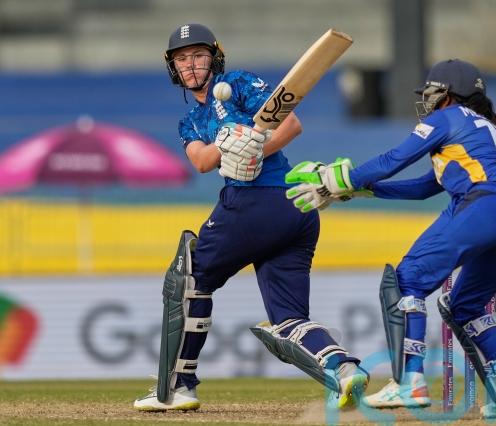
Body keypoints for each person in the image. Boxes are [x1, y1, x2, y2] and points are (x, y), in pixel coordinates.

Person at [133, 23, 368, 412]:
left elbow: (289, 124)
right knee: (289, 318)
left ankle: (178, 387)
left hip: (262, 200)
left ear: (215, 58)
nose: (190, 64)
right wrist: (229, 146)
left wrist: (256, 149)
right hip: (295, 212)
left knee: (189, 278)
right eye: (182, 59)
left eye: (198, 55)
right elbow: (201, 161)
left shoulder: (239, 83)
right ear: (173, 68)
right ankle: (343, 369)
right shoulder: (190, 121)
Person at [285, 59, 496, 418]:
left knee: (407, 279)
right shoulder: (482, 131)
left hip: (485, 205)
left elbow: (393, 159)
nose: (427, 100)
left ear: (450, 94)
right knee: (467, 305)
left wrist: (341, 179)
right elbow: (423, 188)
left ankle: (410, 381)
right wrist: (357, 191)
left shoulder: (449, 117)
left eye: (432, 92)